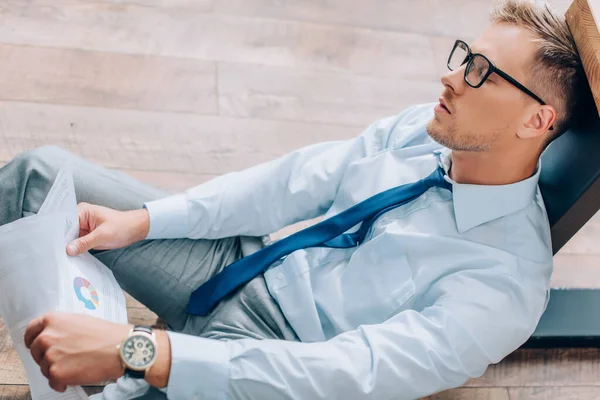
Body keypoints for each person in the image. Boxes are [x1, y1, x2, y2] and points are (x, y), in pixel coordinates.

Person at [2, 0, 590, 399]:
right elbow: (297, 180)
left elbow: (337, 375)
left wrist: (139, 351)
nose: (453, 78)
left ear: (536, 120)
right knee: (40, 177)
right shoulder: (426, 127)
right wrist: (146, 221)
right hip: (240, 262)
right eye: (466, 57)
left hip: (275, 352)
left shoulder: (503, 288)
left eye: (483, 73)